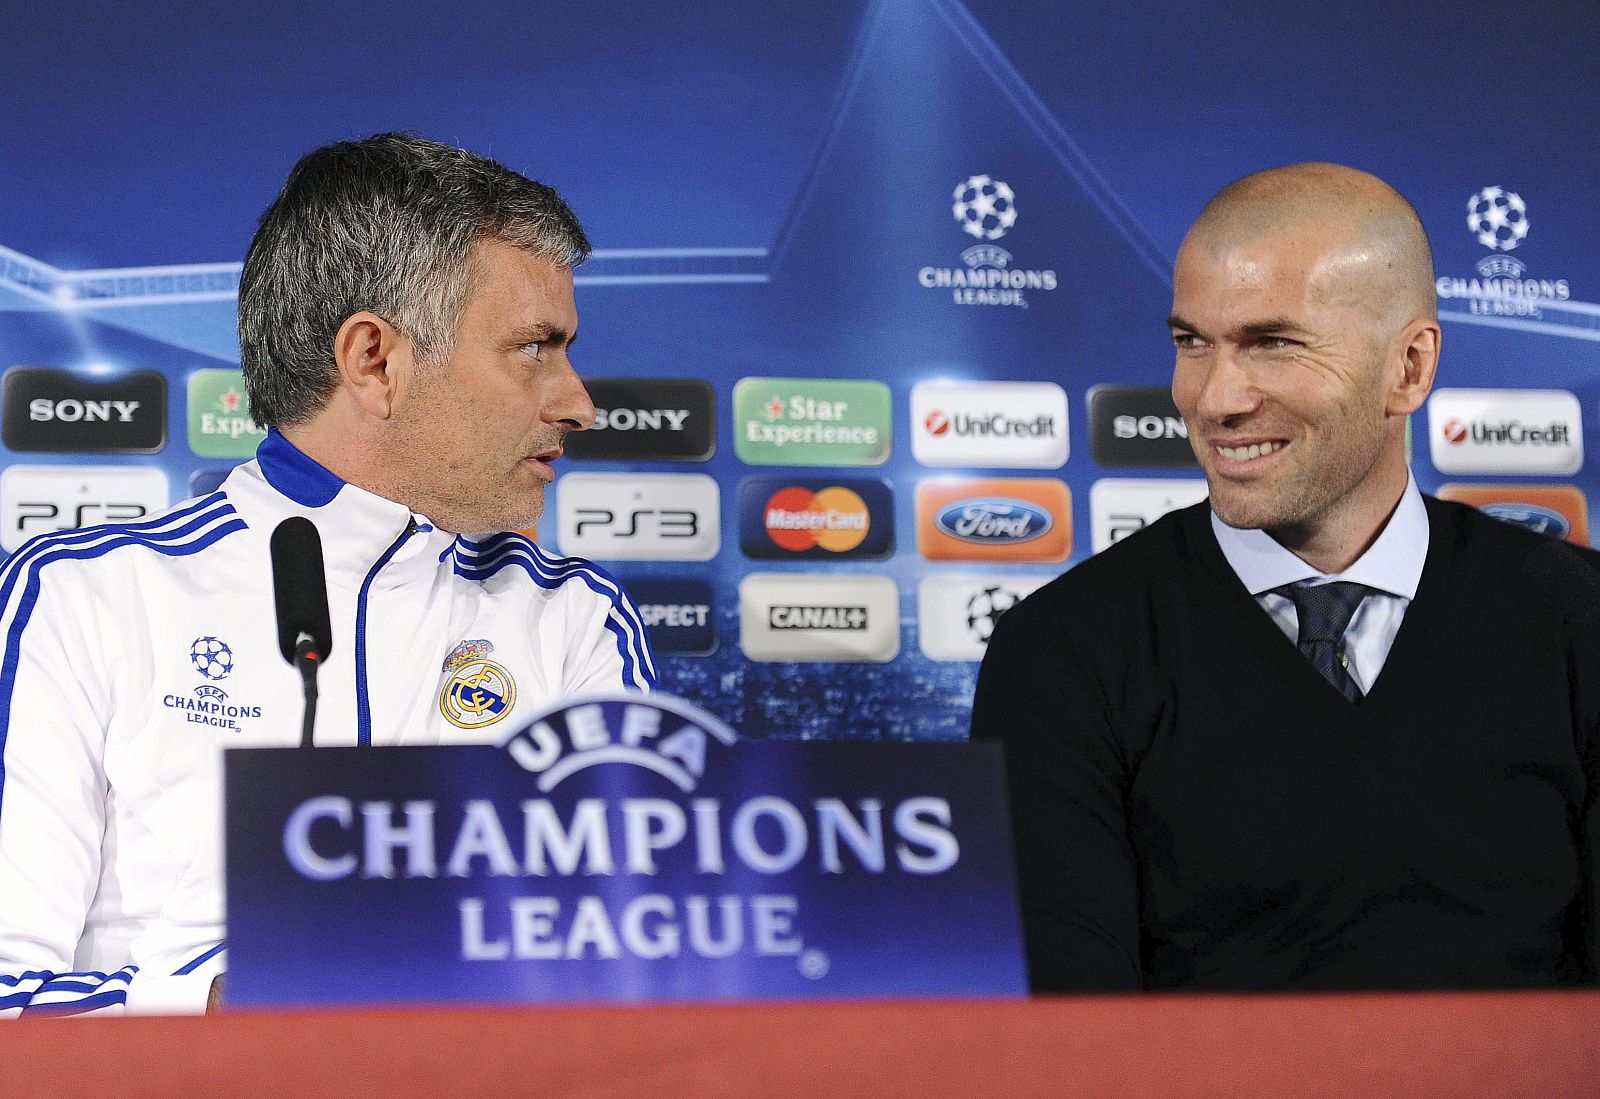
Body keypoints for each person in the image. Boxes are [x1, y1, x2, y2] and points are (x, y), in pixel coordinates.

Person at [0, 133, 656, 1016]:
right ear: (374, 361)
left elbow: (649, 981)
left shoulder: (572, 619)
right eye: (535, 348)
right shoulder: (84, 598)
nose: (578, 400)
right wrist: (229, 1008)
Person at [972, 162, 1600, 992]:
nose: (1215, 398)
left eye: (1272, 342)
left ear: (1408, 368)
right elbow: (1070, 1041)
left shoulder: (1580, 619)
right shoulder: (1061, 650)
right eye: (1192, 342)